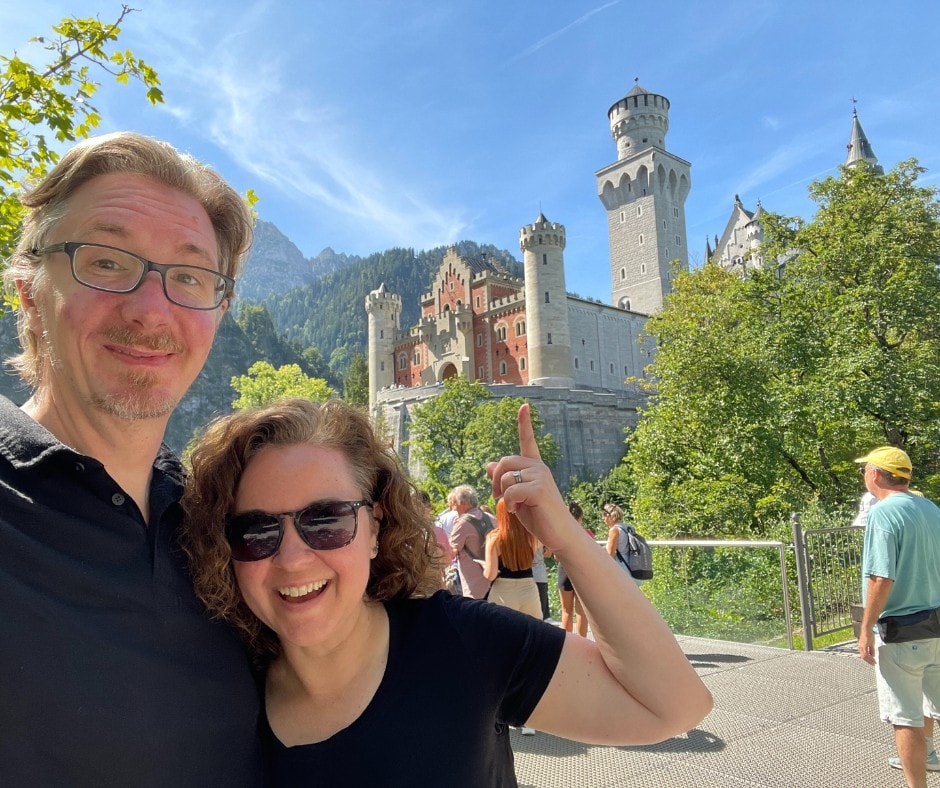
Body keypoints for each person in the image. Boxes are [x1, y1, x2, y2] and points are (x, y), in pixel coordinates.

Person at [181, 398, 713, 787]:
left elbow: (674, 706)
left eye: (326, 520)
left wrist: (567, 536)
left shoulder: (462, 644)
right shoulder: (222, 689)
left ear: (375, 526)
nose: (292, 557)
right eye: (255, 531)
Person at [0, 132, 263, 785]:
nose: (152, 311)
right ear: (28, 290)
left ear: (219, 309)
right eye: (107, 261)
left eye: (190, 276)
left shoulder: (229, 526)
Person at [856, 446, 940, 787]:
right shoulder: (930, 508)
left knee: (903, 716)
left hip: (902, 631)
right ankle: (930, 754)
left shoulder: (884, 513)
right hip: (937, 621)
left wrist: (864, 630)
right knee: (928, 700)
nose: (864, 475)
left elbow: (880, 577)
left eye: (865, 470)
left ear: (876, 474)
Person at [483, 497, 542, 620]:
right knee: (533, 634)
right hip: (529, 591)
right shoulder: (532, 537)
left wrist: (484, 566)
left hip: (503, 592)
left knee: (502, 636)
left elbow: (490, 575)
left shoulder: (494, 539)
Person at [450, 484, 493, 599]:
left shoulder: (462, 523)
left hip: (474, 588)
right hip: (496, 584)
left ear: (462, 503)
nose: (454, 508)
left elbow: (452, 551)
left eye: (455, 504)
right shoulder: (491, 518)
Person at [557, 500, 592, 637]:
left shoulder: (561, 533)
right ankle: (582, 641)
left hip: (565, 570)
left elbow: (556, 556)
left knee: (566, 611)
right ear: (580, 518)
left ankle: (567, 643)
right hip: (582, 571)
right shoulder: (587, 534)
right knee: (581, 611)